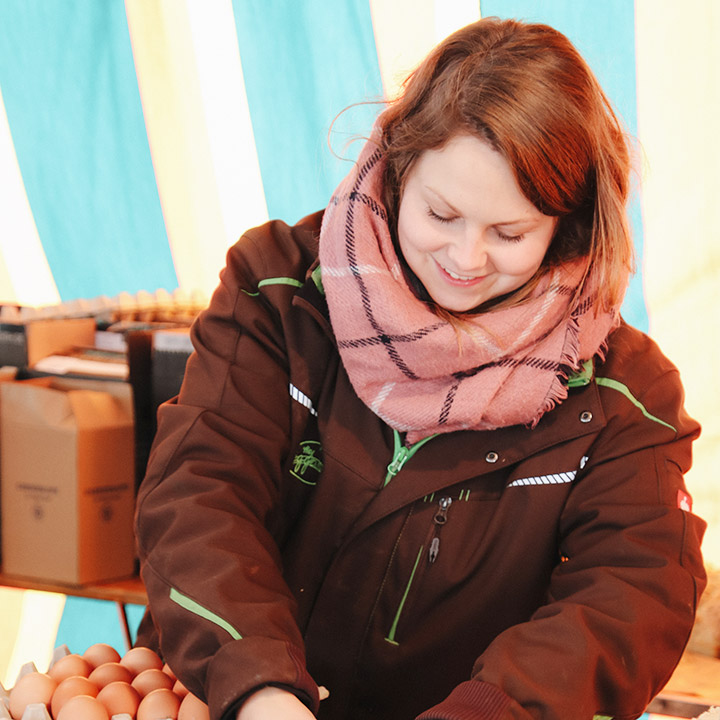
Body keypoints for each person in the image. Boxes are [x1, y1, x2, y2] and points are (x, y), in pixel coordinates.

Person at [133, 16, 706, 720]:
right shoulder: (278, 292)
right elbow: (198, 492)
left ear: (569, 226)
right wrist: (259, 688)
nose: (466, 259)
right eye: (441, 213)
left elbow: (631, 595)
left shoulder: (626, 398)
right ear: (400, 168)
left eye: (510, 233)